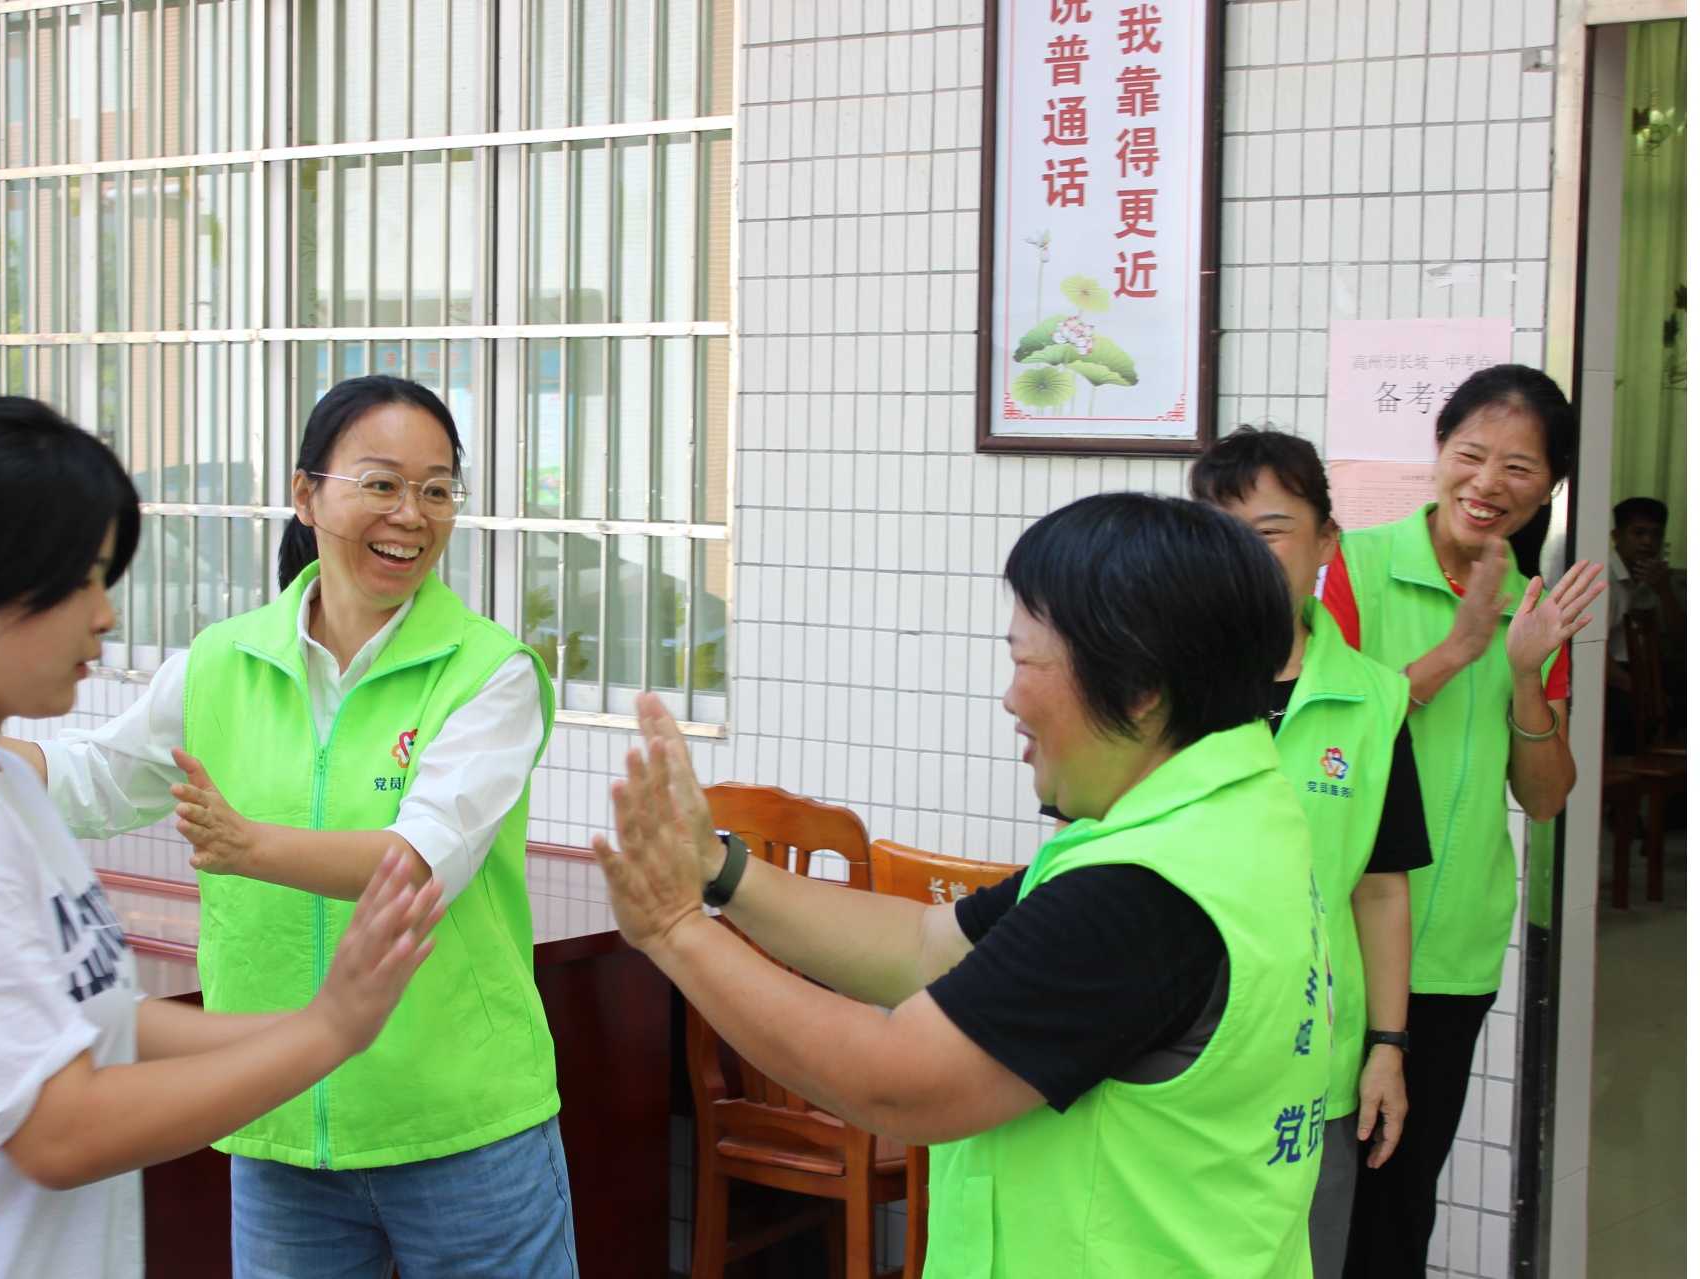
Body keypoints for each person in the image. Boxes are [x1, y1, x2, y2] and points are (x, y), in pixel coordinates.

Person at [0, 398, 444, 1278]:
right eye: (81, 578)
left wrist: (321, 1027)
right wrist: (322, 1034)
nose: (105, 615)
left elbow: (98, 1022)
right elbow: (60, 1130)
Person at [595, 493, 1331, 1277]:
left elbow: (896, 1082)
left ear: (1140, 686)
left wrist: (676, 930)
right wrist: (718, 869)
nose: (1010, 699)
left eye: (1025, 661)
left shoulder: (1143, 894)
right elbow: (924, 947)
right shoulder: (1227, 820)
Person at [2, 375, 573, 1279]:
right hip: (278, 1117)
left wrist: (249, 846)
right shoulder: (224, 660)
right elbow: (96, 776)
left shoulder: (490, 672)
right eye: (381, 483)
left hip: (461, 1125)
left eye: (436, 489)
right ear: (307, 495)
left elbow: (419, 865)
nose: (411, 515)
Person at [1324, 365, 1605, 1278]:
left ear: (1552, 485)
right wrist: (1455, 653)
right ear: (1438, 453)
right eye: (1471, 454)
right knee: (1310, 1193)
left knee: (1401, 1200)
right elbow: (1322, 733)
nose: (1489, 484)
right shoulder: (1352, 568)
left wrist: (1526, 670)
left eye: (1520, 467)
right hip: (1332, 936)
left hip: (1450, 955)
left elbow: (1549, 794)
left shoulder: (1537, 607)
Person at [1191, 427, 1432, 1279]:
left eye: (1267, 533)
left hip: (1312, 1065)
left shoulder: (1374, 699)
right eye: (1217, 535)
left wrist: (1389, 1045)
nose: (1243, 560)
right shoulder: (1162, 680)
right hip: (1174, 1055)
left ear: (1327, 541)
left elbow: (1380, 888)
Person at [1605, 496, 1685, 750]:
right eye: (1638, 533)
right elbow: (1592, 652)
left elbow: (1681, 641)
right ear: (1618, 536)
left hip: (1648, 668)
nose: (1648, 542)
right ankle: (1629, 782)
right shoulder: (1603, 576)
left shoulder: (1653, 574)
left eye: (1656, 535)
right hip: (1612, 673)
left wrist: (1664, 591)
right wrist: (1642, 690)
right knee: (1634, 713)